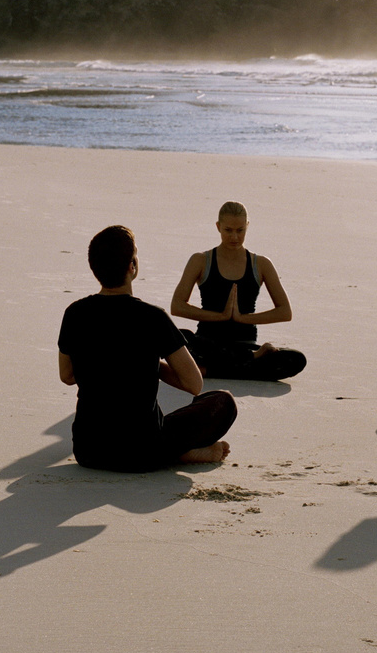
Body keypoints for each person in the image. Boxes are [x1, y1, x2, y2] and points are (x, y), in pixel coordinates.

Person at [59, 225, 236, 471]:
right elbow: (193, 383)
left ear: (95, 268)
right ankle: (178, 452)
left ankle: (177, 452)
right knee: (223, 402)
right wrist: (152, 366)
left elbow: (66, 376)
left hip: (89, 451)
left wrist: (107, 365)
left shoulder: (74, 313)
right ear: (133, 266)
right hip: (143, 451)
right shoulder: (153, 317)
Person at [169, 201, 305, 382]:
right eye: (228, 230)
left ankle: (210, 370)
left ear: (247, 226)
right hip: (207, 344)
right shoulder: (201, 260)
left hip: (244, 345)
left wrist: (242, 318)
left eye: (240, 230)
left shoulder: (261, 264)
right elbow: (177, 306)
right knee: (180, 338)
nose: (234, 237)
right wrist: (221, 316)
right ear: (218, 227)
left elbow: (284, 311)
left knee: (296, 359)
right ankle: (247, 364)